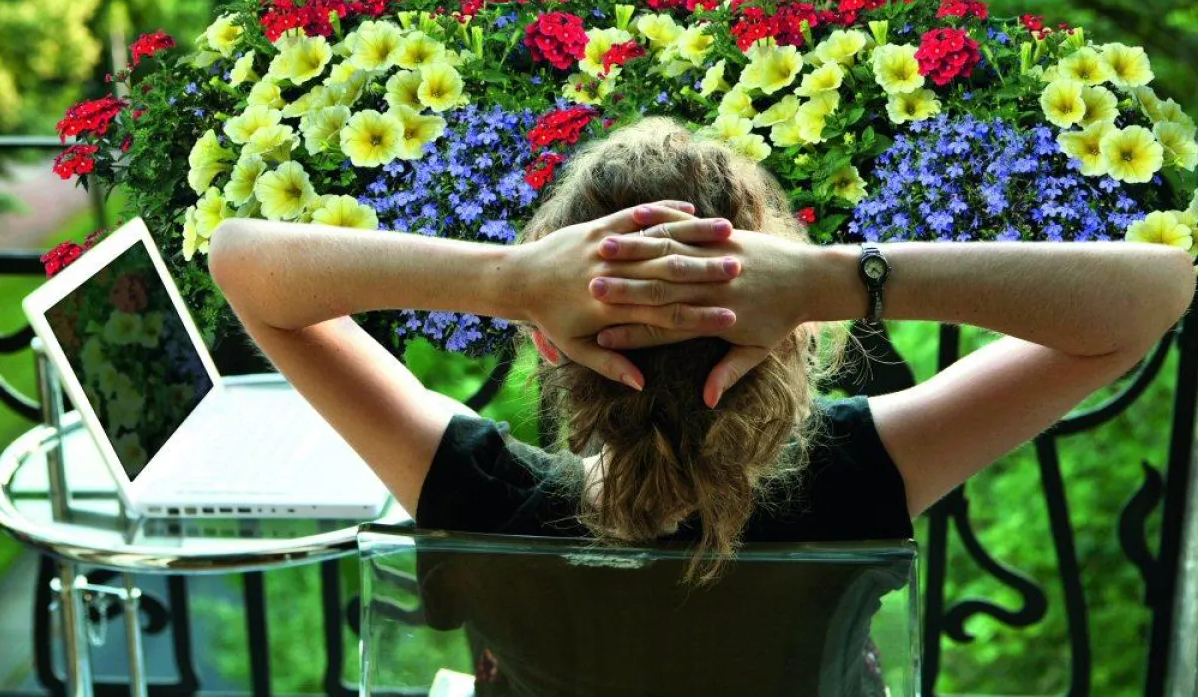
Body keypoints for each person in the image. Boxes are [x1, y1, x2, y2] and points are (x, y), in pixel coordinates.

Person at [208, 115, 1194, 573]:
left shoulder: (478, 491)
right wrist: (836, 279)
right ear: (793, 332)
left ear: (550, 346)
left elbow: (243, 263)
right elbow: (1159, 290)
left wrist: (506, 284)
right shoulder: (858, 476)